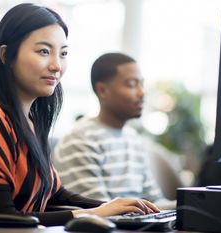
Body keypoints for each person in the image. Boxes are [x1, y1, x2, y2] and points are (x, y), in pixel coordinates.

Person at [0, 4, 159, 226]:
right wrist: (95, 213)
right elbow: (2, 218)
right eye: (44, 51)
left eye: (63, 53)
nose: (57, 65)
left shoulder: (31, 122)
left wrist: (114, 207)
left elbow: (56, 194)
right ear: (7, 55)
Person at [53, 52, 173, 208]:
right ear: (102, 90)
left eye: (141, 84)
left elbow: (155, 203)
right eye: (131, 84)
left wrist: (189, 207)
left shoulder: (133, 139)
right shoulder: (81, 139)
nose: (141, 92)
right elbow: (99, 211)